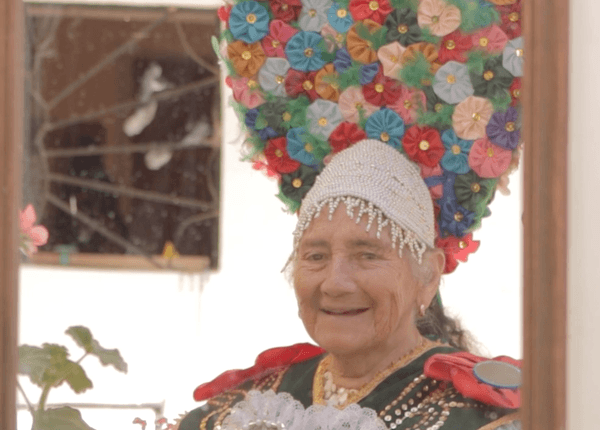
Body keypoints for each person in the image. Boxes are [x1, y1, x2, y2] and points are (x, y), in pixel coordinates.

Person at [177, 0, 524, 428]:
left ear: (428, 275)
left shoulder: (484, 416)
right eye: (316, 256)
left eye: (367, 254)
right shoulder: (240, 410)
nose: (335, 283)